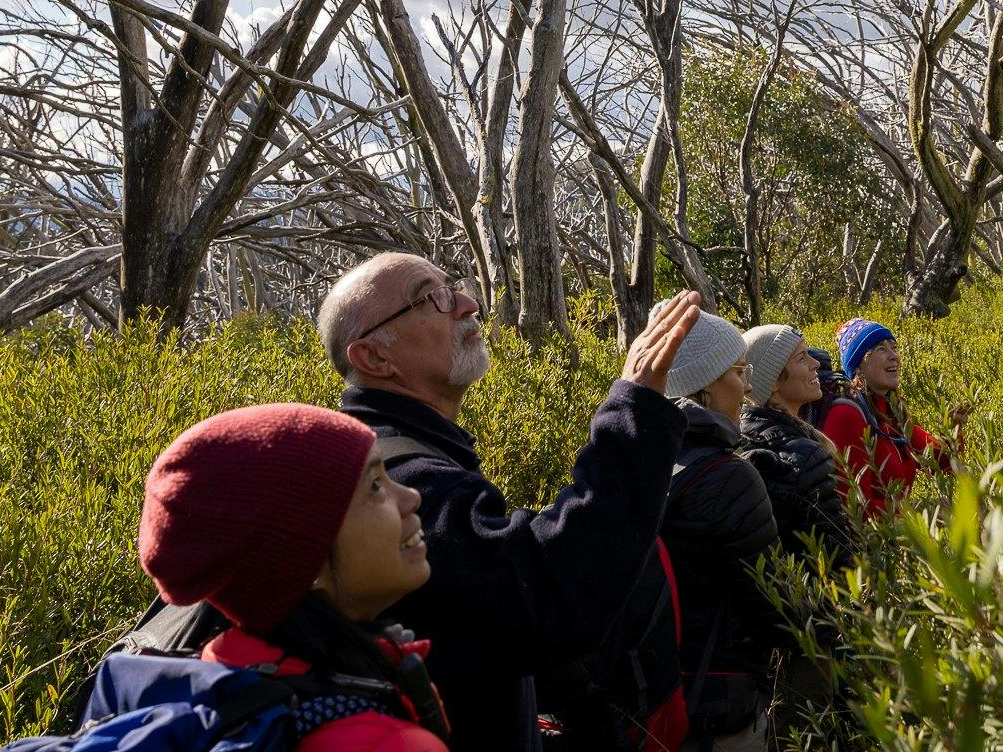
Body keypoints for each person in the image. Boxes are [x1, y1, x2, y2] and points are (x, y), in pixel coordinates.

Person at [318, 254, 699, 750]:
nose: (467, 304)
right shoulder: (401, 482)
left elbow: (493, 627)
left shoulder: (405, 451)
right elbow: (550, 590)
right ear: (374, 358)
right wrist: (635, 409)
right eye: (431, 298)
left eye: (452, 287)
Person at [135, 403, 452, 750]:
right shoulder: (385, 744)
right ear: (306, 565)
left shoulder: (226, 674)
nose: (411, 497)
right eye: (375, 486)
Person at [654, 302, 780, 751]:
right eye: (739, 371)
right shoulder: (730, 476)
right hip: (718, 707)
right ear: (704, 385)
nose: (748, 387)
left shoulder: (638, 461)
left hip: (648, 700)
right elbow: (774, 602)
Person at [819, 317, 967, 520]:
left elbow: (943, 463)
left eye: (894, 347)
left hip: (898, 539)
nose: (894, 356)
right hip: (869, 548)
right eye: (881, 349)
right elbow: (852, 508)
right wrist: (918, 515)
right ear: (858, 363)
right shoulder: (846, 416)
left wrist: (954, 429)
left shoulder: (891, 414)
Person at [737, 325, 855, 571]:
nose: (816, 364)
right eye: (802, 358)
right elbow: (837, 562)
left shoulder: (738, 438)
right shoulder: (805, 457)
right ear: (772, 381)